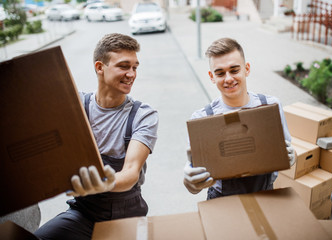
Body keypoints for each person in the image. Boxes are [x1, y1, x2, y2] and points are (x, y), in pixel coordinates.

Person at [35, 33, 159, 239]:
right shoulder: (76, 106)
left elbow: (130, 172)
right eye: (124, 66)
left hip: (127, 215)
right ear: (100, 67)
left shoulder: (143, 115)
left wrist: (104, 183)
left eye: (135, 67)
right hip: (83, 211)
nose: (131, 74)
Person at [183, 37, 296, 200]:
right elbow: (194, 188)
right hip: (222, 200)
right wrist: (190, 181)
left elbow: (287, 155)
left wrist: (292, 158)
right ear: (211, 77)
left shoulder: (270, 107)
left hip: (266, 195)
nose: (228, 78)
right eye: (220, 73)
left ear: (247, 69)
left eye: (234, 70)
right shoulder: (201, 120)